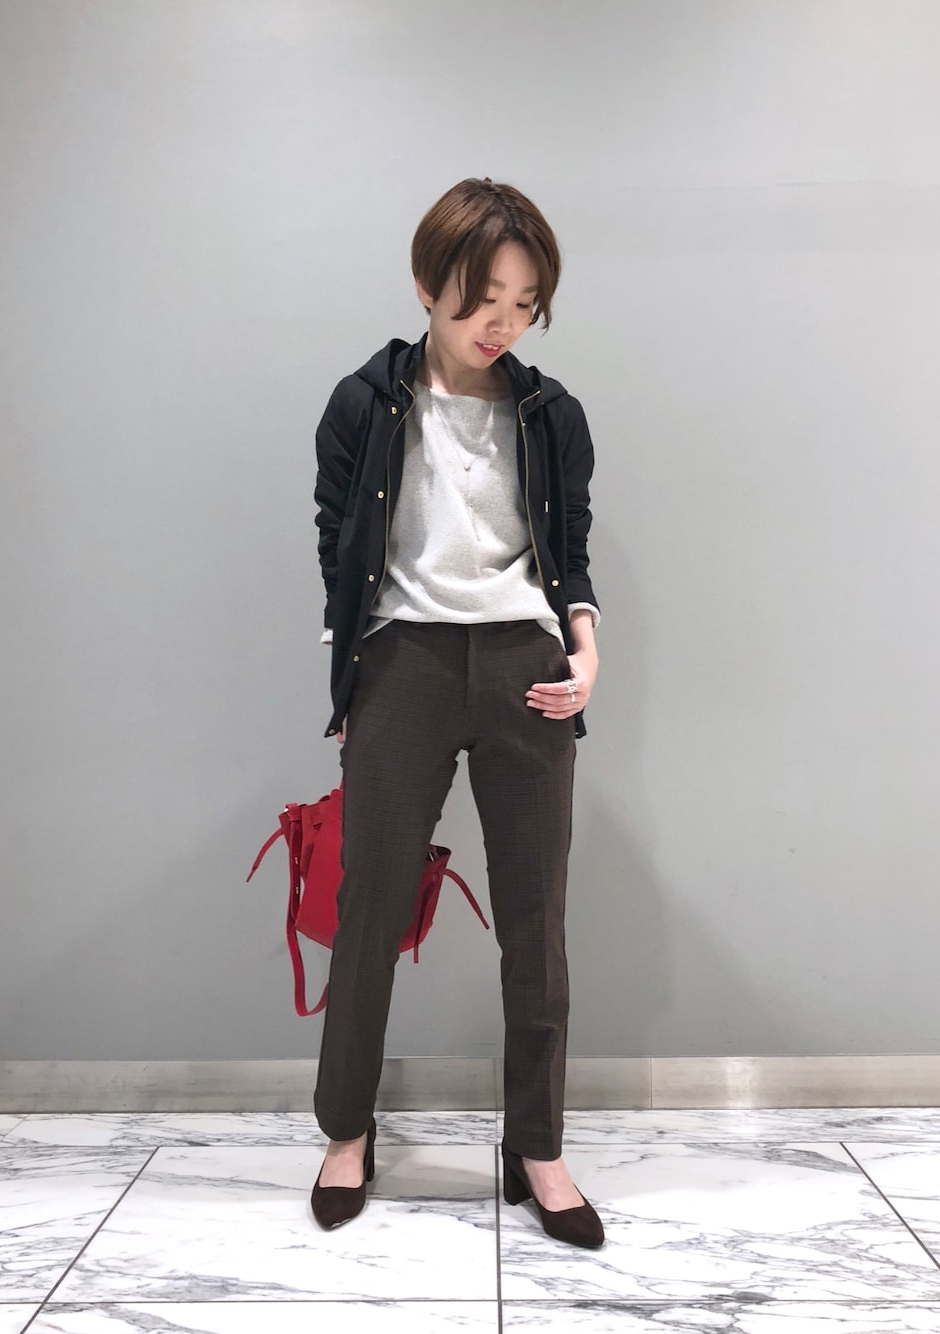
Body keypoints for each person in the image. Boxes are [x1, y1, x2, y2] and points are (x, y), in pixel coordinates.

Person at [310, 177, 603, 1248]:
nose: (502, 323)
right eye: (483, 298)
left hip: (526, 663)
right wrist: (350, 685)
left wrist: (587, 648)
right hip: (404, 665)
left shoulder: (550, 412)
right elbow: (338, 542)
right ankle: (347, 1131)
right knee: (369, 909)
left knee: (536, 921)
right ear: (427, 284)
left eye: (524, 303)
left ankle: (538, 1146)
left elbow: (571, 540)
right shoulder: (363, 402)